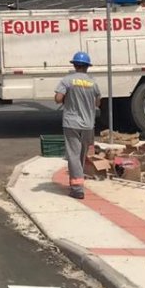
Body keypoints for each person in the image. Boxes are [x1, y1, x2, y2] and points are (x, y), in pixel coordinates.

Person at [54, 51, 101, 199]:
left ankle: (77, 188)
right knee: (81, 155)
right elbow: (97, 103)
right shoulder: (93, 83)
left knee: (73, 156)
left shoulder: (67, 81)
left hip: (71, 123)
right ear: (87, 67)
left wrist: (67, 97)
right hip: (88, 125)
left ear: (74, 65)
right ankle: (77, 182)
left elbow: (58, 98)